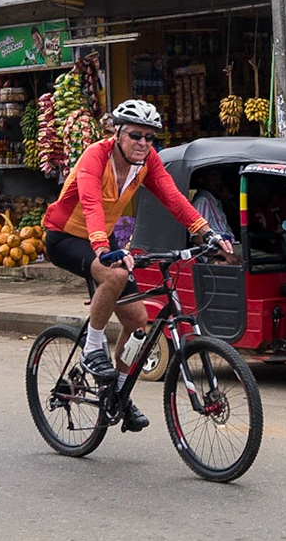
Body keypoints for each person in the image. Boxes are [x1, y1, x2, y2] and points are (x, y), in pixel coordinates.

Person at [42, 100, 235, 432]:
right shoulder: (95, 157)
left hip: (102, 238)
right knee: (115, 273)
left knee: (138, 321)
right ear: (117, 134)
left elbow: (175, 199)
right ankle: (91, 348)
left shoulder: (147, 162)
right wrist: (103, 248)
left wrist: (207, 232)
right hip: (65, 236)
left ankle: (116, 391)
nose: (143, 143)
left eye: (150, 137)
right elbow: (90, 203)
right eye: (135, 135)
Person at [188, 167, 237, 243]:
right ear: (202, 180)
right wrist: (217, 248)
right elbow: (196, 237)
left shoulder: (216, 201)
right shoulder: (202, 201)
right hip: (220, 248)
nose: (218, 181)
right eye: (214, 176)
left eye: (219, 177)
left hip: (230, 244)